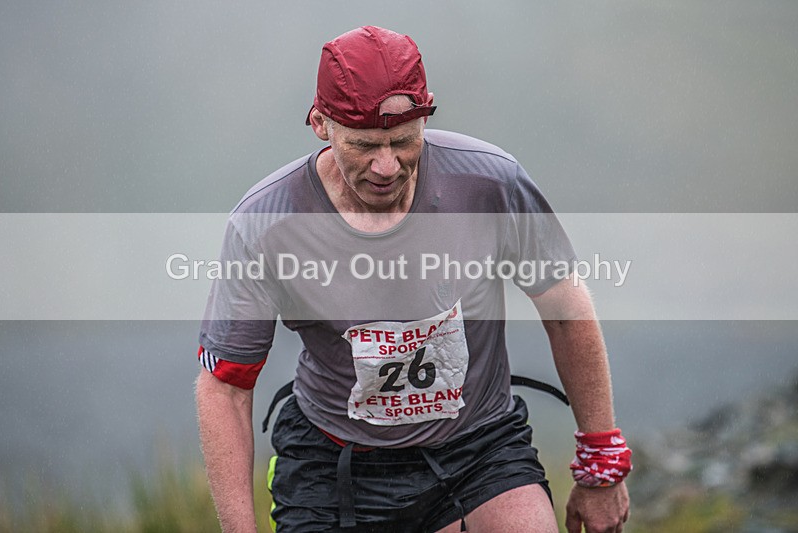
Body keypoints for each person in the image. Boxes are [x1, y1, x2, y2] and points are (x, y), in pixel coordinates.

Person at [195, 25, 631, 533]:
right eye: (364, 146)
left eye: (404, 141)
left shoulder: (489, 182)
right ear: (320, 124)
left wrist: (602, 466)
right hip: (334, 462)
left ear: (425, 118)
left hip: (479, 448)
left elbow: (564, 306)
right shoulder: (265, 222)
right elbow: (225, 387)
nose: (387, 165)